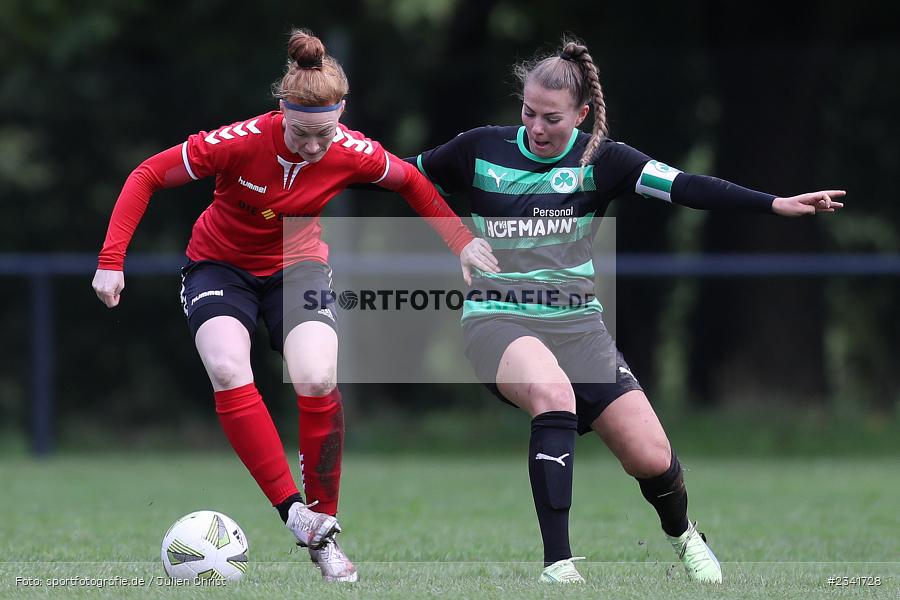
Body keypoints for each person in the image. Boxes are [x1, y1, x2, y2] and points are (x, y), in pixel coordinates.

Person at [413, 37, 844, 584]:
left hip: (578, 326)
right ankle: (558, 567)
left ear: (582, 114)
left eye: (552, 118)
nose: (537, 127)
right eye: (528, 112)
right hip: (498, 318)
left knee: (650, 456)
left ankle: (686, 537)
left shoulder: (604, 159)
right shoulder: (478, 149)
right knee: (553, 394)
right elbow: (401, 176)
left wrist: (773, 203)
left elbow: (686, 186)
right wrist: (455, 238)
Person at [91, 28, 498, 583]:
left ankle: (325, 530)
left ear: (342, 116)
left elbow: (411, 183)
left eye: (323, 135)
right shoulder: (237, 142)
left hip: (297, 265)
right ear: (283, 113)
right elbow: (146, 176)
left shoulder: (353, 150)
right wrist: (111, 260)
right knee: (228, 367)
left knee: (315, 376)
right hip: (218, 266)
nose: (312, 147)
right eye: (302, 133)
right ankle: (295, 514)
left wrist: (461, 242)